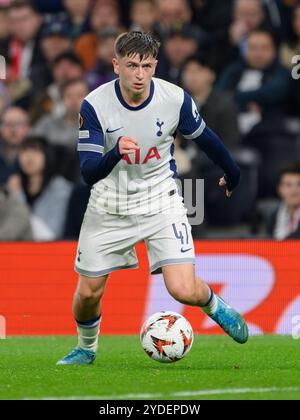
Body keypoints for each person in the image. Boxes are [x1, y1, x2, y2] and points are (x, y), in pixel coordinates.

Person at [57, 31, 248, 366]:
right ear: (116, 65)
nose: (139, 74)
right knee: (88, 293)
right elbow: (88, 172)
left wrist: (232, 173)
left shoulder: (174, 98)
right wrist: (115, 152)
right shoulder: (95, 105)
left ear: (155, 65)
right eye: (131, 65)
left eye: (146, 65)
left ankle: (217, 307)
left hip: (161, 199)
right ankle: (86, 348)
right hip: (109, 205)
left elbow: (208, 139)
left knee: (183, 290)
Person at [267, 163, 300, 239]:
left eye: (299, 184)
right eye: (288, 185)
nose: (294, 190)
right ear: (279, 189)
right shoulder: (273, 217)